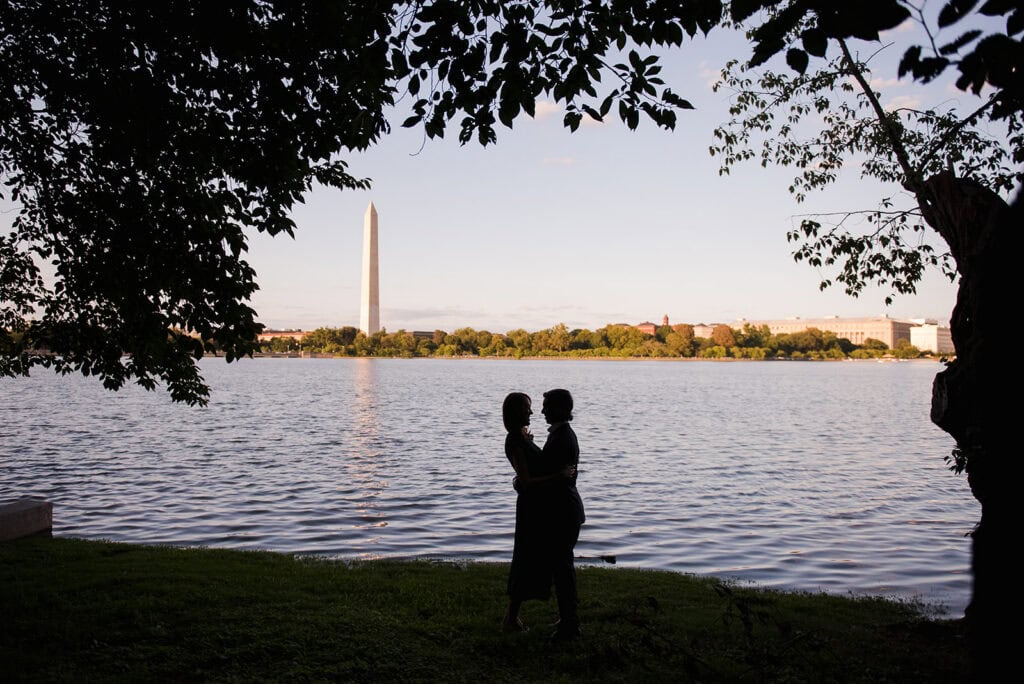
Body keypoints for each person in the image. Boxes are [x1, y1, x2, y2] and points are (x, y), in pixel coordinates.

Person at [501, 391, 573, 633]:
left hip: (536, 506)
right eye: (527, 408)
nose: (532, 412)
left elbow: (530, 470)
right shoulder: (515, 441)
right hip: (530, 508)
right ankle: (511, 618)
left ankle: (514, 617)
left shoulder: (522, 438)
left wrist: (530, 443)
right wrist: (559, 476)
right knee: (524, 557)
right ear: (515, 413)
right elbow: (527, 481)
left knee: (530, 558)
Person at [540, 388, 586, 642]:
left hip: (563, 512)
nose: (543, 410)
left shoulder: (561, 439)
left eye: (546, 406)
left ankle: (570, 623)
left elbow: (553, 477)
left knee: (562, 568)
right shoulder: (562, 435)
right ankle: (568, 618)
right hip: (566, 510)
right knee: (562, 566)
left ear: (558, 409)